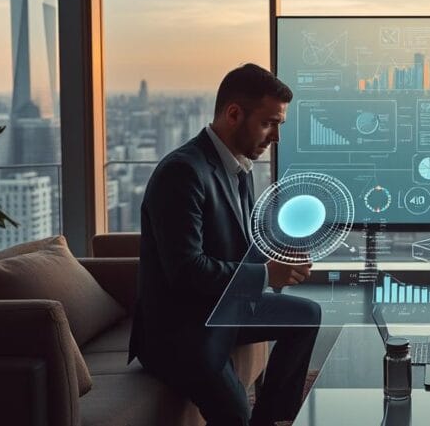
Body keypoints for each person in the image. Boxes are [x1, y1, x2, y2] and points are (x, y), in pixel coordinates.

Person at [129, 63, 322, 426]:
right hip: (182, 328)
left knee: (307, 316)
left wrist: (278, 261)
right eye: (270, 123)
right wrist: (265, 275)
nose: (276, 136)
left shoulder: (237, 165)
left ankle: (271, 420)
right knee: (234, 413)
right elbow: (186, 271)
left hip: (223, 307)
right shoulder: (182, 172)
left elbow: (234, 245)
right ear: (234, 114)